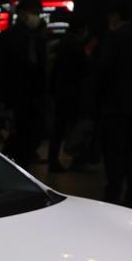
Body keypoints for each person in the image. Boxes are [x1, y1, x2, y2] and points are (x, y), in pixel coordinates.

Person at [96, 1, 132, 206]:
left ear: (115, 16)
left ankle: (114, 192)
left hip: (114, 104)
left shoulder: (114, 37)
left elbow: (104, 70)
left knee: (114, 152)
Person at [0, 0, 46, 166]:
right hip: (16, 97)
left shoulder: (37, 38)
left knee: (26, 137)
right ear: (22, 13)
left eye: (38, 13)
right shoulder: (8, 38)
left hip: (33, 98)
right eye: (33, 12)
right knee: (19, 137)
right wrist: (0, 100)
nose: (36, 17)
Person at [46, 15, 91, 172]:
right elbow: (82, 69)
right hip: (72, 92)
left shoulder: (63, 43)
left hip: (60, 91)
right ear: (82, 29)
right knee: (75, 127)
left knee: (59, 128)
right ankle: (76, 159)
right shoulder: (76, 46)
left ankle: (53, 160)